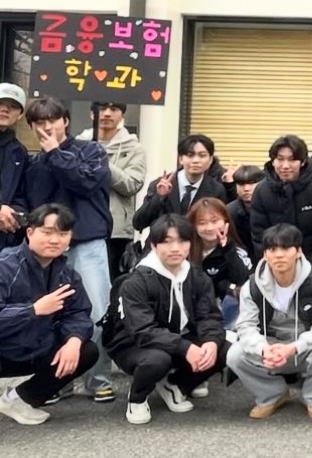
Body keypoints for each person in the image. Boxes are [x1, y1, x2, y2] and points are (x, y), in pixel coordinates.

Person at [24, 96, 115, 402]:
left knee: (97, 312)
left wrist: (55, 153)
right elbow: (36, 203)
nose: (46, 127)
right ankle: (59, 380)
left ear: (65, 120)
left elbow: (85, 183)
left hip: (88, 243)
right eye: (39, 122)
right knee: (52, 314)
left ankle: (98, 379)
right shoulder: (35, 162)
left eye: (52, 119)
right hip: (48, 250)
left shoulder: (92, 151)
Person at [103, 214, 228, 425]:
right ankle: (137, 398)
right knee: (157, 360)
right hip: (132, 344)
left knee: (224, 348)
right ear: (154, 245)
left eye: (182, 241)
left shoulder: (196, 276)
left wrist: (211, 342)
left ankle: (176, 385)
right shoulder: (136, 281)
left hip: (177, 338)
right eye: (167, 242)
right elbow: (142, 330)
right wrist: (185, 348)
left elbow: (209, 316)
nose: (175, 248)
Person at [227, 223, 312, 420]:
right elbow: (246, 326)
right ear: (265, 254)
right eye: (272, 249)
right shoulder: (252, 286)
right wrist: (263, 349)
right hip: (271, 349)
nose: (279, 255)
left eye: (286, 248)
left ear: (298, 251)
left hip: (305, 348)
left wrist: (293, 348)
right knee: (234, 354)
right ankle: (272, 394)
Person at [0, 204, 99, 426]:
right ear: (30, 232)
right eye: (47, 232)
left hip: (34, 348)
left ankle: (18, 400)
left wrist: (74, 340)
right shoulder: (6, 265)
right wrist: (33, 310)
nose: (55, 240)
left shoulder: (67, 274)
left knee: (87, 350)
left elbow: (79, 313)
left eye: (63, 234)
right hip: (4, 351)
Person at [250, 135, 312, 273]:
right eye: (280, 159)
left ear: (302, 162)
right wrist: (273, 266)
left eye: (292, 160)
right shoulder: (262, 191)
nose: (285, 166)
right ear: (273, 161)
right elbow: (259, 235)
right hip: (276, 267)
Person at [79, 101, 147, 281]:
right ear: (92, 114)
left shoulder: (134, 148)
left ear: (122, 115)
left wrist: (101, 161)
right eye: (102, 109)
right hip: (81, 225)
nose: (107, 113)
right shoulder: (78, 145)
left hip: (116, 230)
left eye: (114, 109)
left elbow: (132, 185)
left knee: (113, 282)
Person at [134, 133, 227, 230]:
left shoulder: (216, 189)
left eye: (202, 155)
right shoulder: (160, 184)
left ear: (210, 160)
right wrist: (159, 197)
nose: (196, 160)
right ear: (181, 159)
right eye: (190, 155)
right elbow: (138, 223)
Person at [188, 197, 252, 317]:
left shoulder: (235, 249)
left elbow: (243, 280)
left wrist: (228, 249)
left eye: (214, 221)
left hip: (224, 312)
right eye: (202, 223)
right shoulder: (185, 250)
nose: (209, 228)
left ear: (225, 221)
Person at [0, 82, 29, 253]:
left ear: (20, 115)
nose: (5, 109)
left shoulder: (19, 152)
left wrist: (14, 213)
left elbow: (21, 193)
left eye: (12, 106)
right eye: (1, 104)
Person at [227, 165, 264, 257]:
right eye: (241, 184)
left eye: (252, 183)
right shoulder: (229, 212)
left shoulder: (272, 207)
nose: (246, 189)